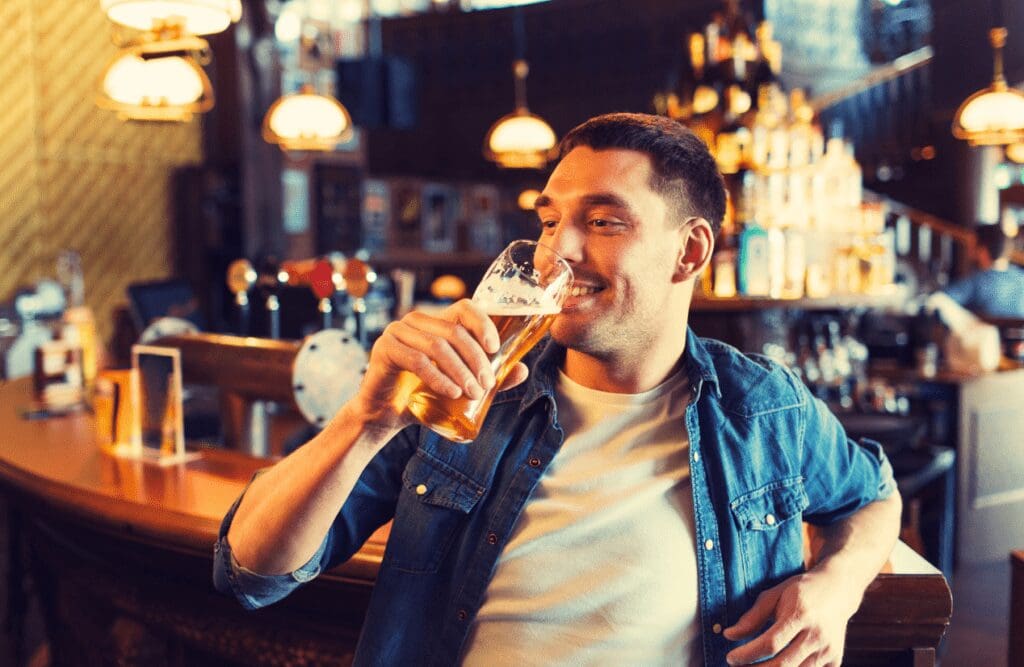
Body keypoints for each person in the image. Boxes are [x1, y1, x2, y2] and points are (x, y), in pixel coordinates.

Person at [214, 113, 901, 666]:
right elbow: (250, 571)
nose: (556, 251)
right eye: (548, 220)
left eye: (602, 221)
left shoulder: (763, 408)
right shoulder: (468, 391)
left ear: (690, 252)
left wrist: (835, 586)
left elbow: (873, 496)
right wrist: (363, 421)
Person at [942, 222, 1024, 319]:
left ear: (982, 250)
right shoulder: (1021, 278)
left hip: (981, 333)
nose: (968, 250)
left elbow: (939, 300)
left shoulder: (978, 281)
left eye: (971, 245)